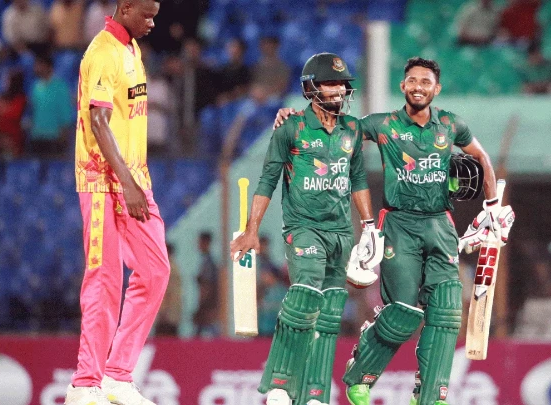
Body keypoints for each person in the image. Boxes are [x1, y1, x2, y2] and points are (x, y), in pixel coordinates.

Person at [274, 57, 515, 405]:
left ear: (437, 88)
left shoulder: (450, 124)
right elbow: (335, 123)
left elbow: (482, 158)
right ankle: (361, 372)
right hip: (399, 224)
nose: (419, 86)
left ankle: (431, 394)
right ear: (403, 86)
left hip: (440, 223)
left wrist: (492, 207)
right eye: (412, 81)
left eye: (426, 81)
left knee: (447, 310)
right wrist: (293, 118)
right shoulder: (383, 124)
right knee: (403, 311)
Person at [229, 52, 382, 405]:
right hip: (303, 227)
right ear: (310, 87)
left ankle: (314, 394)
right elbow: (268, 180)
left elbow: (357, 179)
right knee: (306, 292)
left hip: (341, 232)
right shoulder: (291, 127)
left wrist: (369, 227)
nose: (339, 90)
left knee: (329, 310)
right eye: (330, 83)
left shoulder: (353, 130)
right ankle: (280, 384)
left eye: (343, 84)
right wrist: (252, 229)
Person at [65, 1, 168, 404]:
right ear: (124, 8)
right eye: (146, 14)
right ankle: (85, 383)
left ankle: (117, 375)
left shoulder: (132, 50)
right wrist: (126, 183)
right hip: (101, 183)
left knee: (155, 271)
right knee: (104, 279)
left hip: (135, 180)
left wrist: (134, 181)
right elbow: (98, 121)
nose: (153, 22)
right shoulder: (102, 52)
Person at [28, 53, 75, 158]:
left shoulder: (60, 86)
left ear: (47, 66)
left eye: (39, 65)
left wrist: (64, 136)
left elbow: (65, 113)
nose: (36, 68)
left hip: (54, 137)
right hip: (37, 137)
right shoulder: (35, 87)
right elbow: (33, 111)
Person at [193, 231, 221, 337]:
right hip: (208, 304)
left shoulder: (208, 262)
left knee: (211, 330)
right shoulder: (206, 261)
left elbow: (207, 285)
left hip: (208, 305)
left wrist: (203, 304)